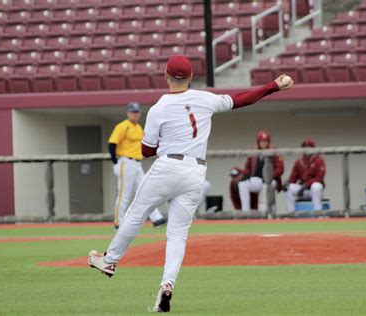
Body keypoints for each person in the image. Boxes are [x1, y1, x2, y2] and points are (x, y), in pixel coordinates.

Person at [88, 55, 294, 313]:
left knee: (136, 213)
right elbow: (242, 99)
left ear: (166, 75)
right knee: (177, 234)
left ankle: (110, 260)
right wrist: (273, 86)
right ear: (190, 77)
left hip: (168, 166)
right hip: (196, 171)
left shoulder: (159, 108)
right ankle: (166, 284)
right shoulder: (204, 99)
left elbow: (148, 151)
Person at [108, 102, 166, 229]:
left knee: (146, 190)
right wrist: (115, 162)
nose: (135, 114)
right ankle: (118, 221)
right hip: (125, 162)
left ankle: (156, 219)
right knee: (124, 193)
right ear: (128, 113)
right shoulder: (123, 126)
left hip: (137, 163)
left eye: (137, 112)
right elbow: (112, 144)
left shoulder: (139, 128)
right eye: (133, 112)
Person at [237, 131, 284, 212]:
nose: (264, 143)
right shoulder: (253, 151)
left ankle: (265, 214)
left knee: (266, 188)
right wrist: (245, 174)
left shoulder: (274, 151)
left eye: (265, 141)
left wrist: (269, 177)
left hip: (271, 180)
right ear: (258, 142)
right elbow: (247, 167)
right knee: (242, 185)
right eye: (261, 141)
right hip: (257, 179)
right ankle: (245, 213)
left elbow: (280, 169)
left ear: (268, 142)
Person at [284, 138, 326, 212]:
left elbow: (319, 178)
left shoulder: (319, 160)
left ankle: (318, 212)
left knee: (316, 186)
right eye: (305, 147)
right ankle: (291, 213)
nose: (307, 149)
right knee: (289, 188)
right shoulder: (299, 161)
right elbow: (293, 178)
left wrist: (306, 185)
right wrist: (286, 182)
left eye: (309, 147)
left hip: (314, 190)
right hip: (303, 190)